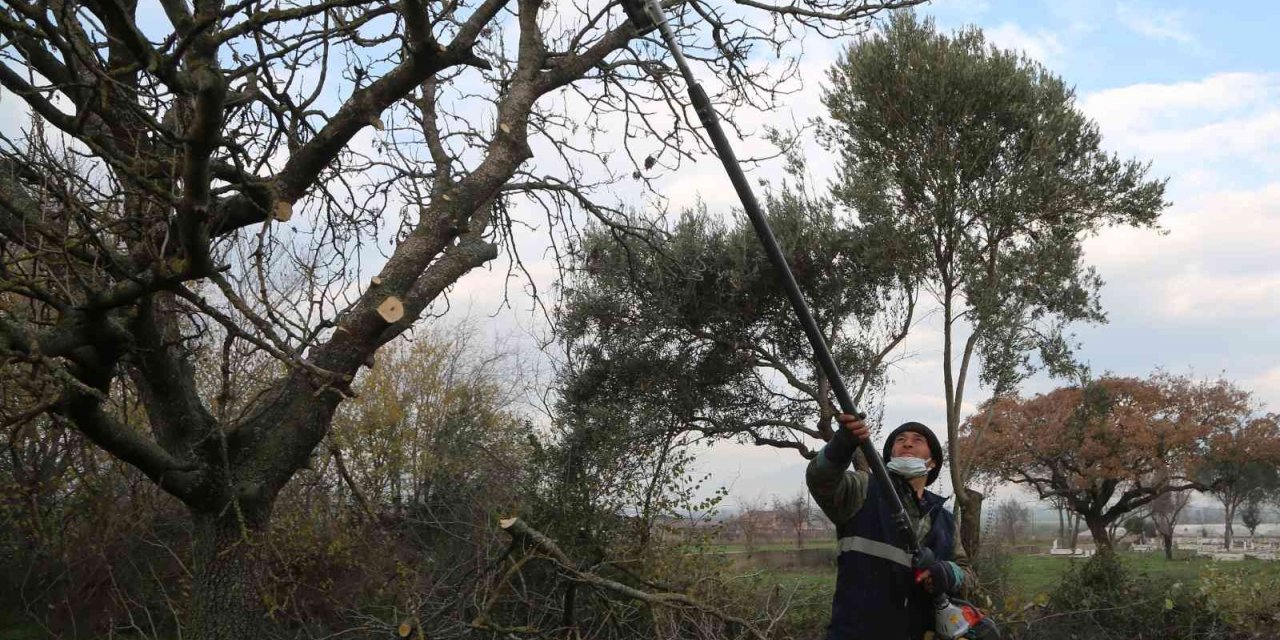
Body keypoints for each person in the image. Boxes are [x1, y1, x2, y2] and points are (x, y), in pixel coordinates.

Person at [807, 413, 974, 640]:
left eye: (918, 440)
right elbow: (821, 479)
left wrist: (946, 572)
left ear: (932, 462)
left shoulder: (944, 519)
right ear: (890, 456)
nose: (907, 443)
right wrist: (841, 445)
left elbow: (966, 573)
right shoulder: (864, 488)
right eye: (900, 439)